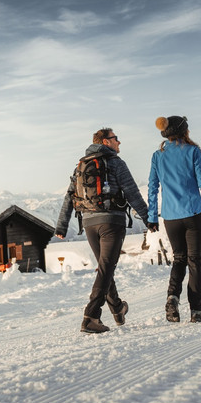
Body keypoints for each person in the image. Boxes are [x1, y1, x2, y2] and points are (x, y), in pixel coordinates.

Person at [55, 128, 151, 334]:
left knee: (105, 269)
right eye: (116, 138)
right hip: (111, 222)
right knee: (106, 269)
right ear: (106, 142)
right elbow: (132, 192)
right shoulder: (116, 163)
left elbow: (69, 197)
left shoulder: (81, 165)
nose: (119, 142)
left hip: (89, 224)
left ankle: (117, 307)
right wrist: (148, 218)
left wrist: (62, 225)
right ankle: (91, 316)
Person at [147, 116, 201, 323]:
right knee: (195, 261)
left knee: (179, 259)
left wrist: (152, 217)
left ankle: (172, 297)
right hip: (193, 214)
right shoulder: (193, 151)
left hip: (170, 217)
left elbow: (152, 188)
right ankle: (196, 311)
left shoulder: (157, 156)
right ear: (184, 131)